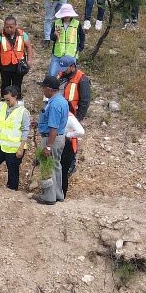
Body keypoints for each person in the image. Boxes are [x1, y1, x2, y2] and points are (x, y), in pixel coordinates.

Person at [59, 60, 91, 198]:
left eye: (65, 68)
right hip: (62, 116)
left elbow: (85, 101)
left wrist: (76, 119)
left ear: (72, 66)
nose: (63, 70)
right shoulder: (62, 76)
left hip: (72, 117)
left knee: (71, 144)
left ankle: (71, 164)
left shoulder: (82, 79)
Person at [35, 75, 69, 204]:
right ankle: (58, 195)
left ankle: (48, 197)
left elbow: (54, 127)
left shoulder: (54, 104)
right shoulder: (61, 100)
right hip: (58, 138)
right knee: (56, 166)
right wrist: (38, 125)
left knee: (47, 166)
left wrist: (48, 146)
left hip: (52, 139)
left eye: (43, 88)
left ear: (49, 89)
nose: (42, 90)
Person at [0, 15, 32, 98]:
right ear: (4, 26)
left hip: (19, 66)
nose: (9, 29)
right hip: (5, 66)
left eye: (11, 27)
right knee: (5, 85)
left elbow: (29, 47)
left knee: (17, 85)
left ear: (16, 26)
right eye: (7, 27)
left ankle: (18, 102)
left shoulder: (23, 35)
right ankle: (4, 101)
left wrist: (29, 60)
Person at [47, 3, 83, 77]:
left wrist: (80, 47)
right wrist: (55, 35)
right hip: (58, 53)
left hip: (71, 54)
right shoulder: (56, 23)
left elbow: (82, 36)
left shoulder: (77, 24)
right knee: (52, 74)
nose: (66, 16)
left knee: (70, 76)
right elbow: (52, 38)